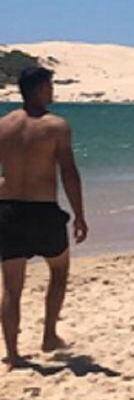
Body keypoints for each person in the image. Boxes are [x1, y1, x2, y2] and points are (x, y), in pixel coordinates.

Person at [0, 67, 87, 368]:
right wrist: (79, 215)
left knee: (12, 286)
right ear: (38, 89)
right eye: (49, 86)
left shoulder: (4, 126)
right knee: (59, 270)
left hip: (8, 210)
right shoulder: (56, 126)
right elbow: (69, 173)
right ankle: (49, 335)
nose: (52, 91)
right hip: (43, 211)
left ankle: (13, 354)